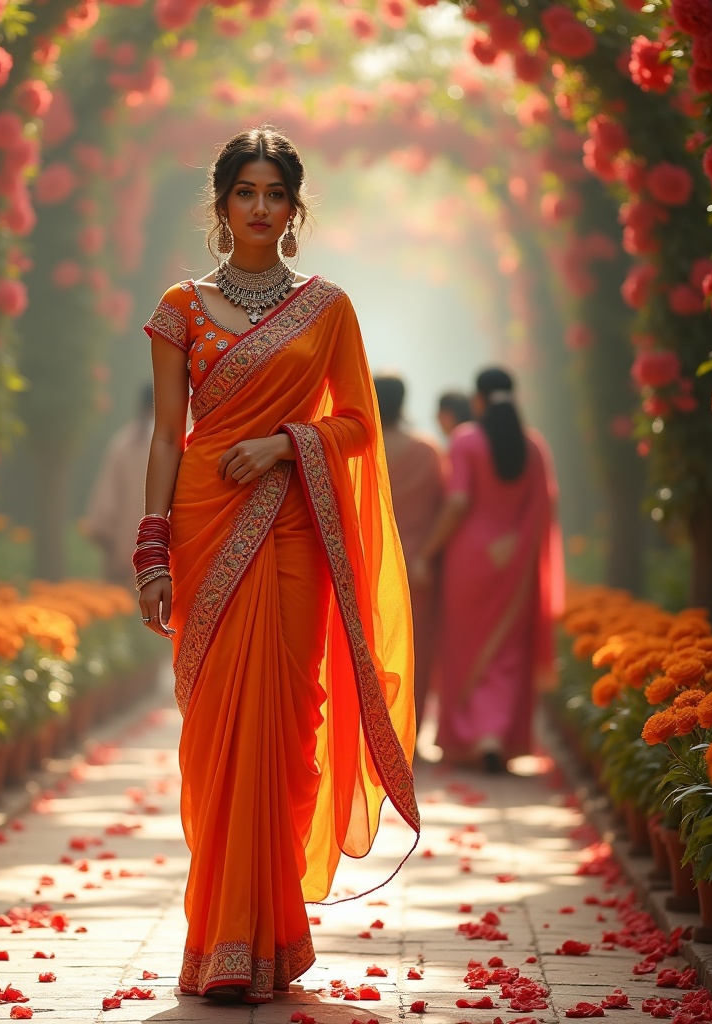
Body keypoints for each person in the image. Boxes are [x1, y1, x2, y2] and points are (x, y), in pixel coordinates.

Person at [135, 127, 419, 1005]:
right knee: (216, 738)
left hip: (294, 534)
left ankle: (268, 932)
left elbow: (360, 426)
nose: (261, 207)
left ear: (295, 210)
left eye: (276, 195)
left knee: (288, 728)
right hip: (205, 530)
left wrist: (285, 446)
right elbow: (166, 434)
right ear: (221, 206)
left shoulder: (327, 308)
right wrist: (151, 548)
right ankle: (218, 939)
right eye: (245, 193)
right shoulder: (181, 306)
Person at [418, 367, 563, 774]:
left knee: (464, 648)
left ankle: (468, 736)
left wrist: (428, 551)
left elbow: (459, 502)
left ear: (479, 399)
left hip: (468, 561)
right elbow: (546, 507)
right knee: (507, 651)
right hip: (514, 560)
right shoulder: (534, 447)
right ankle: (495, 734)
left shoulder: (466, 440)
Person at [373, 374, 446, 753]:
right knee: (417, 648)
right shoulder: (427, 450)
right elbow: (444, 506)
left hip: (370, 560)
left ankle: (370, 735)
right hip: (416, 563)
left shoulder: (363, 447)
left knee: (373, 646)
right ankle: (408, 738)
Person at [81, 383, 155, 585]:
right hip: (166, 555)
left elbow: (106, 504)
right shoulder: (180, 441)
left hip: (125, 555)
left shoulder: (124, 441)